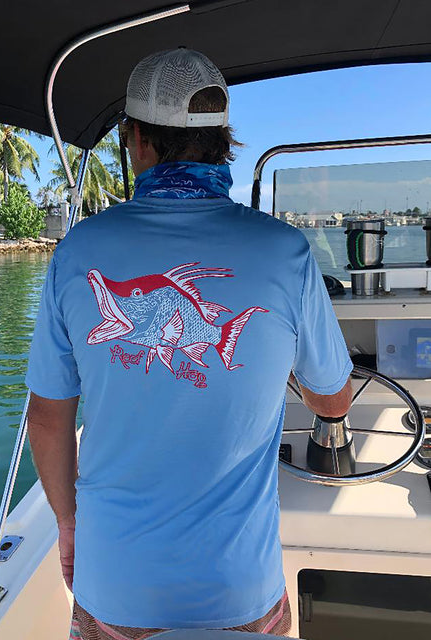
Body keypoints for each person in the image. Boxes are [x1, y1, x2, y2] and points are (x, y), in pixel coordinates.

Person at [25, 48, 353, 640]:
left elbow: (47, 421)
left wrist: (70, 528)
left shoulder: (75, 252)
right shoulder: (286, 253)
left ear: (137, 138)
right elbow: (332, 403)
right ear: (223, 142)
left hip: (113, 586)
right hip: (242, 593)